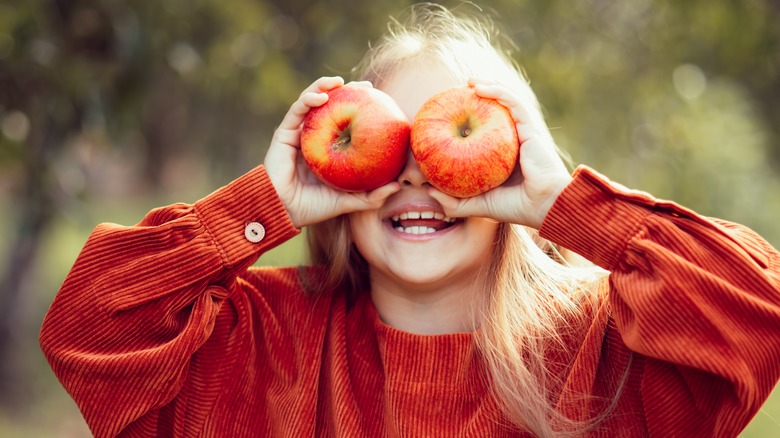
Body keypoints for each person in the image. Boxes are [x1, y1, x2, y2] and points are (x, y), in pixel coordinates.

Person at [39, 3, 780, 437]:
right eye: (392, 147)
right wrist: (263, 206)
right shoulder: (259, 346)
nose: (419, 180)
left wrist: (567, 206)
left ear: (519, 158)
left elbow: (758, 313)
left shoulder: (602, 356)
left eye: (452, 138)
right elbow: (88, 327)